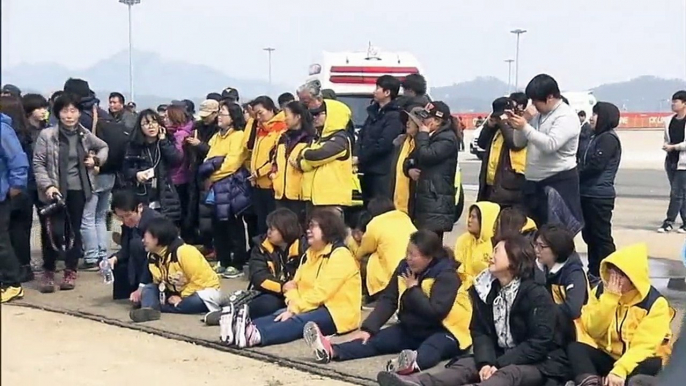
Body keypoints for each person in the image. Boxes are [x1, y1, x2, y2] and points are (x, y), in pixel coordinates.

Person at [380, 235, 565, 386]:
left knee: (508, 374)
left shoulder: (536, 294)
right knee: (465, 365)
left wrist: (498, 364)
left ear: (514, 259)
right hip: (500, 354)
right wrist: (486, 362)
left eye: (497, 252)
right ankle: (417, 383)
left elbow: (540, 342)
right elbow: (480, 331)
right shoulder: (485, 290)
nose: (490, 257)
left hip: (538, 362)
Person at [304, 229, 471, 374]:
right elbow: (389, 299)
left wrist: (413, 289)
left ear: (429, 257)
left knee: (434, 347)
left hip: (446, 330)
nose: (408, 258)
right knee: (376, 341)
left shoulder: (447, 275)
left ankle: (410, 364)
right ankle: (331, 350)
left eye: (413, 255)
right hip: (413, 327)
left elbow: (435, 312)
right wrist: (369, 328)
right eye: (407, 252)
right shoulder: (405, 267)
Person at [228, 209, 361, 349]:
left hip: (336, 312)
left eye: (314, 226)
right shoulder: (309, 254)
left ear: (328, 229)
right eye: (309, 226)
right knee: (278, 315)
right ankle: (239, 329)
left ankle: (256, 335)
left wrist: (294, 309)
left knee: (297, 320)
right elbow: (293, 285)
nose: (308, 230)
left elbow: (321, 293)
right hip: (309, 305)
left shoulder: (340, 255)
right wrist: (293, 303)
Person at [567, 244, 674, 386]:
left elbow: (643, 346)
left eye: (620, 276)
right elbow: (593, 330)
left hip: (639, 360)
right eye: (611, 274)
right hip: (609, 356)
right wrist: (610, 300)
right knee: (576, 349)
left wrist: (620, 370)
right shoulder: (601, 292)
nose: (613, 281)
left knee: (649, 366)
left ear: (633, 278)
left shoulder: (655, 303)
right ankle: (591, 383)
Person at [33, 93, 109, 292]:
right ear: (58, 113)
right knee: (52, 231)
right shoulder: (47, 135)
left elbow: (103, 147)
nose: (69, 115)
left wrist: (96, 161)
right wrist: (48, 186)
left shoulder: (83, 134)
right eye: (65, 111)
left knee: (74, 231)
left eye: (73, 111)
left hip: (78, 189)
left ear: (78, 113)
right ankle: (48, 271)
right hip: (54, 191)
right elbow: (38, 163)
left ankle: (70, 270)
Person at [509, 74, 583, 234]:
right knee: (530, 234)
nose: (533, 105)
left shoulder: (566, 116)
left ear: (550, 97)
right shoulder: (537, 116)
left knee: (555, 237)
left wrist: (525, 127)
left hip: (557, 183)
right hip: (532, 183)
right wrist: (524, 121)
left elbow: (550, 144)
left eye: (536, 101)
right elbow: (518, 143)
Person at [129, 217, 222, 322]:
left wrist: (182, 297)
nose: (143, 241)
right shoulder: (153, 256)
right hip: (175, 292)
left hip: (202, 291)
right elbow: (159, 282)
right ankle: (149, 309)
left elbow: (201, 281)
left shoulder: (185, 251)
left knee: (195, 302)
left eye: (145, 237)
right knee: (149, 288)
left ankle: (162, 307)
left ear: (157, 238)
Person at [198, 100, 250, 279]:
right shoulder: (217, 136)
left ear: (233, 117)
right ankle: (223, 259)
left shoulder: (238, 136)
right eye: (219, 113)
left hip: (231, 185)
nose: (219, 117)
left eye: (223, 113)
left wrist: (211, 175)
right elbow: (208, 158)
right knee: (217, 224)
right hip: (216, 187)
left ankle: (237, 262)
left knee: (232, 224)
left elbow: (232, 163)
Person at [578, 102, 622, 277]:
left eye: (595, 114)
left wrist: (575, 173)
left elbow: (596, 165)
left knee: (601, 236)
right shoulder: (593, 136)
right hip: (586, 193)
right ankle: (594, 269)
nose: (591, 117)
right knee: (589, 235)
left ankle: (611, 272)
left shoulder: (608, 138)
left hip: (599, 195)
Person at [404, 102, 459, 240]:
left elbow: (426, 155)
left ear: (437, 121)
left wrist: (422, 134)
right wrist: (409, 169)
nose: (422, 121)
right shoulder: (429, 137)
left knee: (430, 245)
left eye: (427, 118)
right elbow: (411, 158)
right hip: (424, 199)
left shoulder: (447, 138)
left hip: (436, 201)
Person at [534, 224, 591, 346]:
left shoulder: (574, 274)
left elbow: (573, 309)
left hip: (573, 333)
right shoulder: (538, 268)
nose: (537, 250)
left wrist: (541, 309)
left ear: (557, 250)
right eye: (536, 245)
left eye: (542, 246)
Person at [295, 99, 354, 214]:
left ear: (333, 116)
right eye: (313, 114)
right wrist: (305, 162)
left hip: (331, 200)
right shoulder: (318, 138)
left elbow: (316, 156)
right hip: (315, 199)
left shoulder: (341, 139)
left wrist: (305, 154)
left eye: (318, 114)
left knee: (330, 231)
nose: (314, 118)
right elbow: (301, 161)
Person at [352, 198, 417, 304]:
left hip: (389, 280)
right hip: (411, 273)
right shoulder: (404, 217)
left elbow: (360, 253)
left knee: (367, 258)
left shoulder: (375, 223)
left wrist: (352, 241)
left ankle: (370, 294)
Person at [245, 208, 306, 319]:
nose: (269, 232)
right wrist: (282, 287)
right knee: (266, 304)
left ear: (286, 229)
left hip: (300, 293)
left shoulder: (304, 247)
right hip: (275, 293)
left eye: (273, 229)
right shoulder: (261, 247)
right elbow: (258, 277)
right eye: (268, 228)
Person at [123, 109, 182, 222]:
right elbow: (125, 169)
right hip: (142, 193)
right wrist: (137, 174)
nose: (151, 126)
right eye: (146, 123)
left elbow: (176, 159)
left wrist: (163, 141)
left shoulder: (165, 142)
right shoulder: (134, 146)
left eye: (154, 122)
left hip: (164, 193)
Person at [0, 96, 34, 282]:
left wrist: (15, 186)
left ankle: (12, 281)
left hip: (3, 194)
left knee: (2, 242)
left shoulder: (3, 130)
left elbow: (18, 162)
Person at [356, 75, 404, 205]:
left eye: (378, 88)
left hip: (382, 172)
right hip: (367, 170)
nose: (374, 91)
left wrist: (362, 157)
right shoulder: (374, 113)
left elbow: (384, 143)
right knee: (367, 205)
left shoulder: (394, 116)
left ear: (387, 92)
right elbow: (362, 135)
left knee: (379, 206)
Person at [109, 189, 162, 301]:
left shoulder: (155, 222)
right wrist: (114, 258)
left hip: (154, 265)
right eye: (121, 217)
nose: (126, 220)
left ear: (139, 208)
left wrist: (142, 286)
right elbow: (126, 248)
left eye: (128, 215)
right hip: (136, 262)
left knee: (137, 244)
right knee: (117, 262)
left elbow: (155, 255)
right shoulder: (129, 225)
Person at [477, 97, 527, 209]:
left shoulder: (518, 129)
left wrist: (505, 122)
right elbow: (481, 143)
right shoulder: (496, 130)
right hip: (491, 184)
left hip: (508, 187)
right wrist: (489, 126)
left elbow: (514, 143)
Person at [248, 96, 287, 234]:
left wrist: (259, 172)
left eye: (261, 113)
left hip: (270, 183)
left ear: (271, 109)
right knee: (260, 223)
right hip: (257, 183)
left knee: (271, 224)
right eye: (255, 114)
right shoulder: (261, 128)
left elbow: (275, 158)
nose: (258, 117)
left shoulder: (281, 128)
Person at [272, 101, 316, 220]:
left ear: (298, 117)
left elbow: (312, 163)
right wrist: (274, 174)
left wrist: (299, 165)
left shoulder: (310, 138)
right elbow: (274, 159)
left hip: (299, 194)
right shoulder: (283, 137)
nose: (285, 119)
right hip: (280, 193)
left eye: (287, 115)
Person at [185, 99, 220, 247]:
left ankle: (212, 244)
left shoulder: (219, 129)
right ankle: (201, 241)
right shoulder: (197, 126)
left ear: (216, 113)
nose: (205, 119)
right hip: (196, 170)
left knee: (209, 210)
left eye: (208, 115)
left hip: (212, 172)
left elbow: (216, 153)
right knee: (194, 207)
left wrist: (199, 145)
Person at [453, 202, 501, 286]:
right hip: (461, 283)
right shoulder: (463, 239)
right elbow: (457, 264)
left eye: (473, 217)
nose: (469, 220)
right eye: (469, 216)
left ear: (484, 220)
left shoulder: (495, 244)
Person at [659, 90, 686, 233]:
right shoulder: (669, 120)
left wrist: (674, 147)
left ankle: (668, 222)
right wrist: (666, 146)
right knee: (681, 193)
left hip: (684, 163)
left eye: (676, 101)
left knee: (676, 193)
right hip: (671, 161)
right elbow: (666, 138)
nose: (673, 104)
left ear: (684, 103)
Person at [164, 104, 193, 234]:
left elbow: (176, 157)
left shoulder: (179, 135)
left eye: (167, 117)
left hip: (178, 178)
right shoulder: (177, 132)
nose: (164, 119)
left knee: (177, 213)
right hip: (181, 177)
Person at [390, 105, 422, 215]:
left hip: (414, 204)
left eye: (412, 121)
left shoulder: (423, 145)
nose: (408, 123)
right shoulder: (401, 143)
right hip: (396, 200)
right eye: (407, 120)